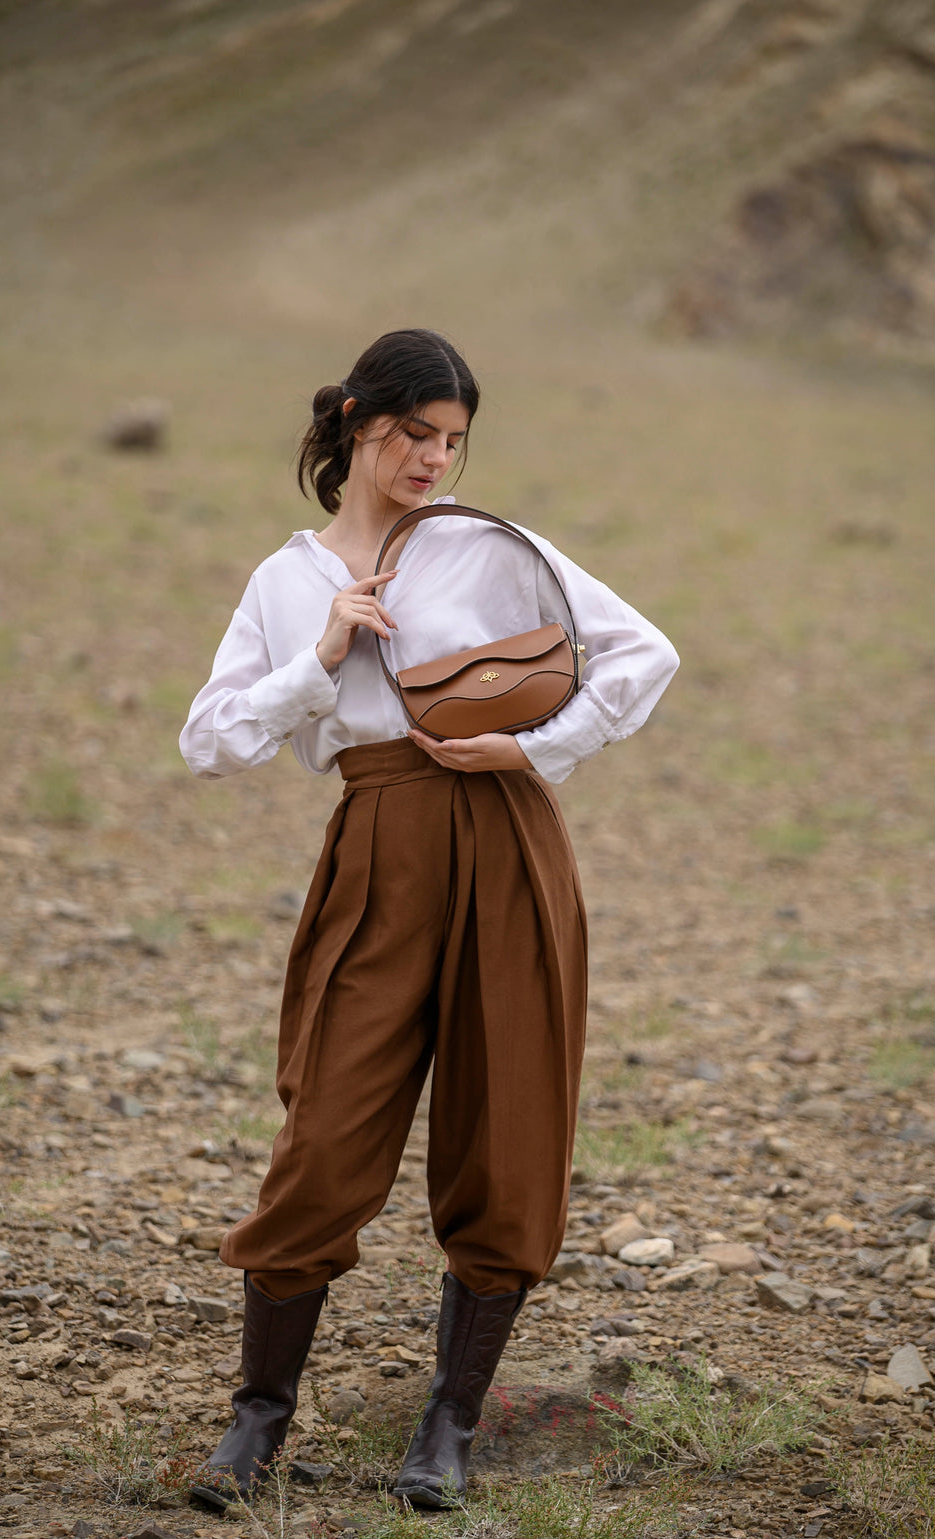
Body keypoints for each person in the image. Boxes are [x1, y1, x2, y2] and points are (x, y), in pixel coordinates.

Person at [179, 328, 679, 1512]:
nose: (434, 462)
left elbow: (642, 652)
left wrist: (539, 745)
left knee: (508, 1131)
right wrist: (322, 655)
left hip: (507, 837)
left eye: (453, 441)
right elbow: (209, 743)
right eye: (414, 435)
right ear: (358, 422)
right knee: (326, 1131)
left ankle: (448, 1426)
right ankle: (258, 1421)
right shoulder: (286, 577)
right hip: (378, 844)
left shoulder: (488, 547)